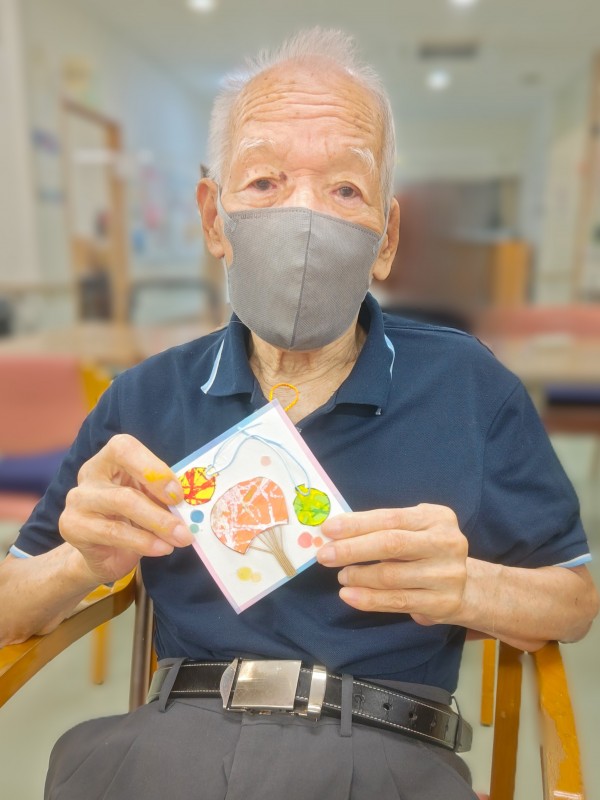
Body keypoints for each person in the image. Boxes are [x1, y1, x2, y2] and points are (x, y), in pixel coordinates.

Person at [1, 28, 598, 800]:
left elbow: (573, 601)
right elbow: (10, 605)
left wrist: (468, 588)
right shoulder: (145, 398)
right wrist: (79, 561)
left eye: (346, 189)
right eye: (264, 182)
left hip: (386, 752)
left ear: (386, 238)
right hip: (172, 743)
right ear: (214, 219)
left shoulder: (469, 386)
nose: (305, 218)